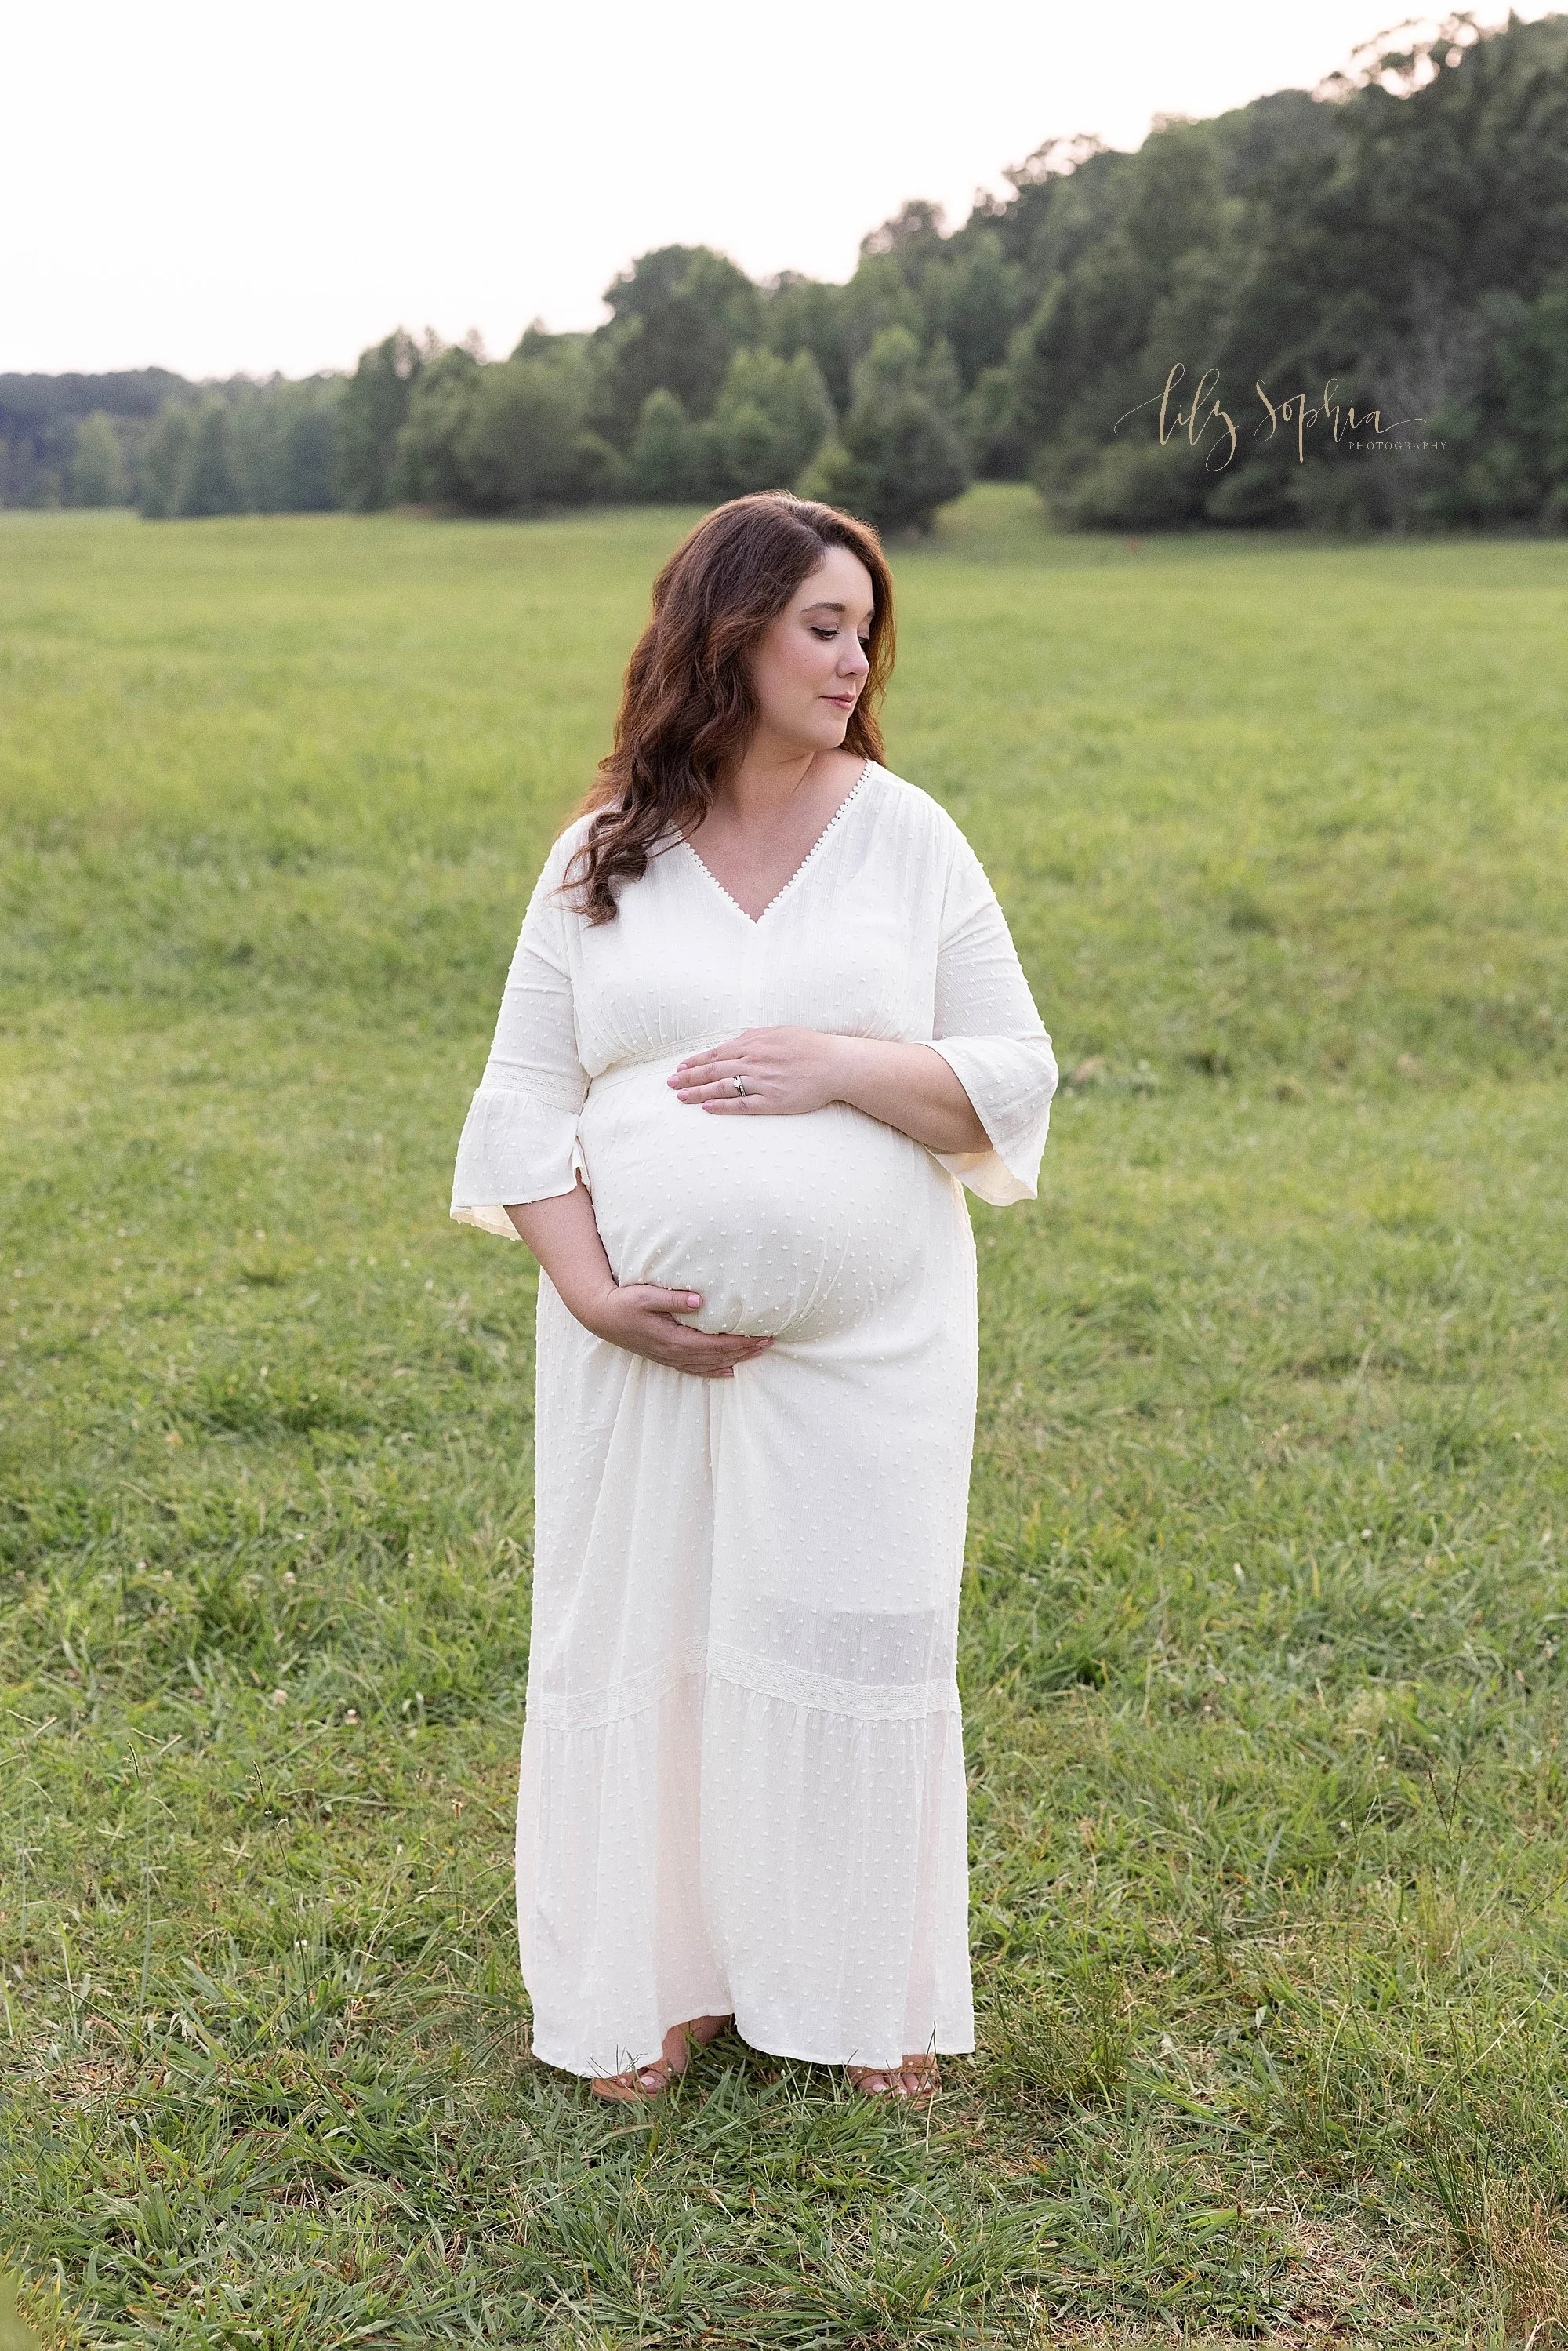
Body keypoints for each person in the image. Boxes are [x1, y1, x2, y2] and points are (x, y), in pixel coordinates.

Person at [451, 493, 1056, 2103]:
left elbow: (1009, 1073)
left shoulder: (905, 833)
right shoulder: (600, 857)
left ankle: (863, 1993)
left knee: (852, 1630)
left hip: (874, 1345)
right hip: (641, 1352)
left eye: (865, 628)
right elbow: (521, 1099)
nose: (855, 657)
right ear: (727, 634)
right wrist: (589, 1290)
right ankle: (654, 1984)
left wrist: (839, 1062)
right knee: (642, 1634)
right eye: (821, 624)